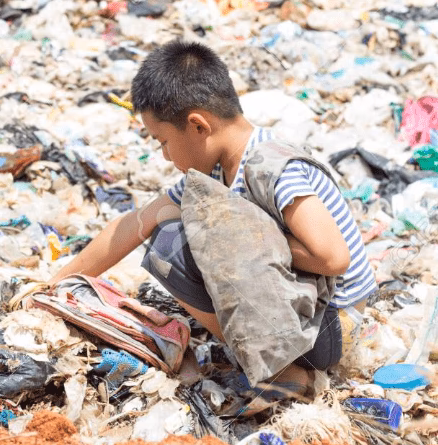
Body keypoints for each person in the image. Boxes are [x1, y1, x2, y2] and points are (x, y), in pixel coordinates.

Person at [45, 40, 377, 406]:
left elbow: (333, 258)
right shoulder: (214, 172)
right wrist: (55, 287)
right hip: (305, 311)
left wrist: (240, 247)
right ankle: (275, 360)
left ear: (198, 125)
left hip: (331, 327)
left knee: (174, 248)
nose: (165, 155)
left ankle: (287, 374)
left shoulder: (273, 168)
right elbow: (138, 223)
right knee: (172, 230)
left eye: (164, 141)